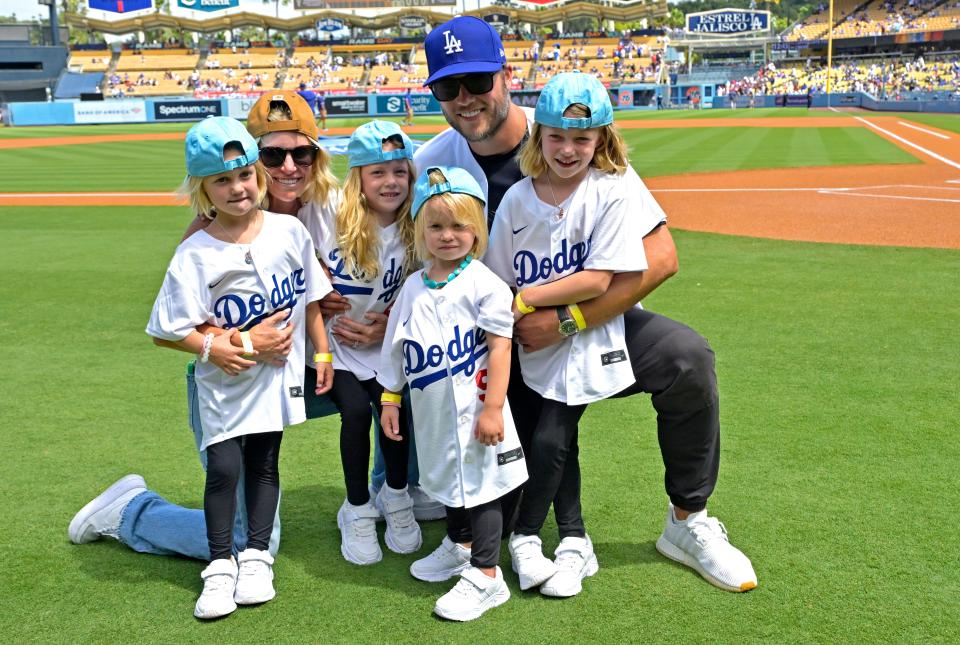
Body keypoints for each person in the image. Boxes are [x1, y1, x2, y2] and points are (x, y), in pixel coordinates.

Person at [412, 15, 758, 593]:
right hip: (501, 337)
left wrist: (567, 321)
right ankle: (458, 518)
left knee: (686, 359)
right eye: (449, 87)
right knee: (521, 426)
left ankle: (687, 521)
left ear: (506, 75)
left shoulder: (569, 134)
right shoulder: (434, 160)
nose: (466, 99)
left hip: (587, 319)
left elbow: (661, 256)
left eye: (477, 81)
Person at [68, 91, 437, 561]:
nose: (288, 167)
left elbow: (394, 267)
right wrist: (242, 339)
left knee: (399, 384)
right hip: (240, 378)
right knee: (249, 540)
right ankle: (130, 511)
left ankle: (389, 492)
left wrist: (385, 323)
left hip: (312, 366)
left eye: (300, 153)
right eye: (271, 155)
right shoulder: (213, 228)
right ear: (248, 159)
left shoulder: (329, 205)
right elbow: (188, 326)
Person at [145, 116, 334, 618]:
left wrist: (322, 351)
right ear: (202, 188)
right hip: (223, 385)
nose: (237, 188)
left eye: (244, 175)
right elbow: (167, 329)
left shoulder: (290, 230)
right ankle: (220, 563)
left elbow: (312, 297)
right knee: (224, 471)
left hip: (274, 381)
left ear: (258, 174)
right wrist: (218, 348)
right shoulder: (195, 252)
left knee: (266, 464)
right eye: (221, 180)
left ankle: (254, 557)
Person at [485, 72, 649, 598]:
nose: (568, 149)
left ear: (602, 138)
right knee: (548, 433)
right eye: (556, 136)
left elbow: (599, 278)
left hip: (589, 333)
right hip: (531, 341)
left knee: (554, 432)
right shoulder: (516, 199)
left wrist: (529, 299)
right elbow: (500, 273)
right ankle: (574, 536)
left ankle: (527, 537)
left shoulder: (610, 188)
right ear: (539, 137)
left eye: (582, 138)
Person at [379, 166, 527, 621]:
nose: (448, 236)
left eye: (460, 225)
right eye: (436, 226)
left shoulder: (484, 283)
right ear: (420, 230)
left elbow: (501, 348)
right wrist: (389, 397)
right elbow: (395, 348)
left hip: (480, 411)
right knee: (447, 482)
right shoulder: (413, 287)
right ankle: (461, 545)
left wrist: (494, 409)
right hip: (433, 413)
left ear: (478, 229)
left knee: (482, 489)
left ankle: (487, 575)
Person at [321, 121, 422, 564]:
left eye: (399, 171)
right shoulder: (331, 216)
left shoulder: (414, 225)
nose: (391, 182)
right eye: (377, 172)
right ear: (357, 178)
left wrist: (390, 323)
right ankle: (357, 506)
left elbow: (417, 286)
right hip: (338, 345)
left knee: (395, 412)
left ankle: (396, 495)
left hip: (384, 347)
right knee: (358, 413)